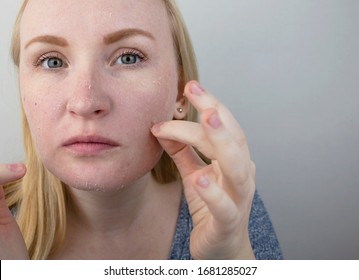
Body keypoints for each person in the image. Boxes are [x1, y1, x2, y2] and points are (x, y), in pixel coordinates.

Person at [0, 0, 282, 260]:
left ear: (179, 93)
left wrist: (231, 260)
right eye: (53, 61)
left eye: (128, 58)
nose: (85, 102)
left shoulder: (224, 206)